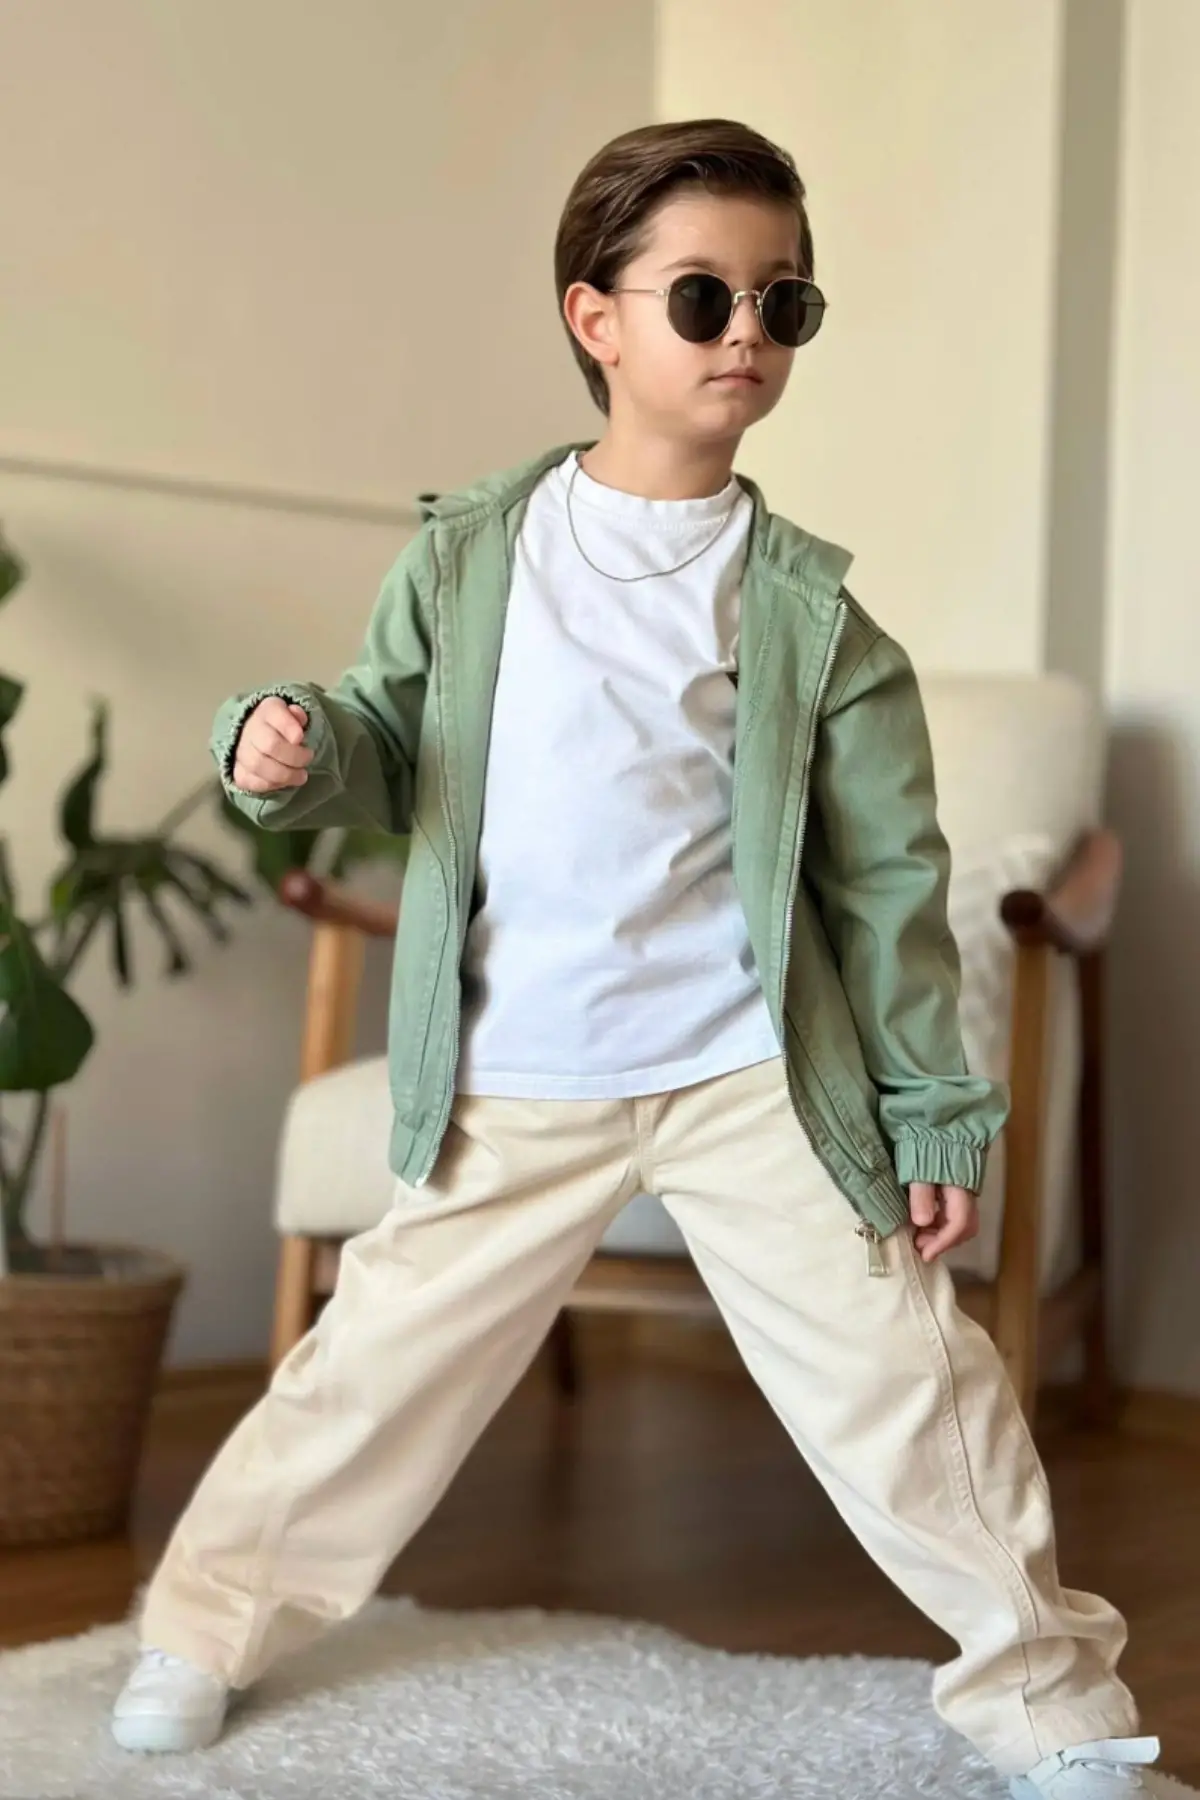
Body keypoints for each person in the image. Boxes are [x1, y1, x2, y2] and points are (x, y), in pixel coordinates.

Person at [112, 119, 1161, 1797]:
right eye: (702, 297)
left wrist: (931, 1113)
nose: (748, 331)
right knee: (371, 1377)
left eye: (783, 301)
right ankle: (202, 1627)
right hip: (518, 1068)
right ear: (594, 318)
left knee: (911, 1387)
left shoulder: (814, 618)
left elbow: (892, 887)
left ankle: (1051, 1702)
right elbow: (385, 735)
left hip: (753, 1073)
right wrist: (288, 743)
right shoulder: (475, 555)